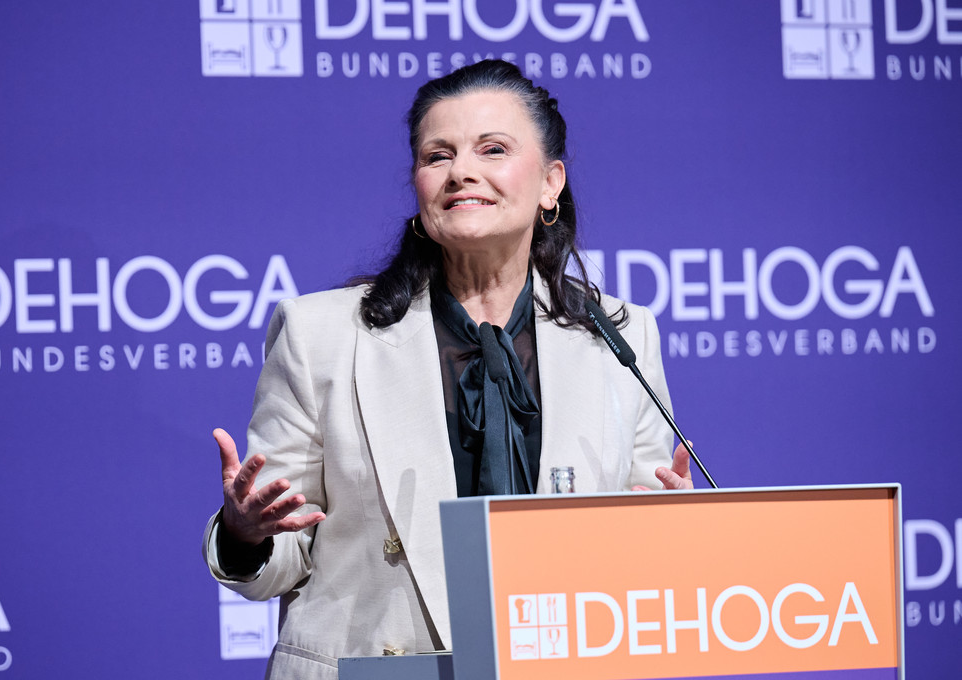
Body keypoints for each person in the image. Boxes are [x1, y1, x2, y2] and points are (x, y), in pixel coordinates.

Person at [202, 59, 692, 680]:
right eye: (438, 156)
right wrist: (246, 533)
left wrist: (668, 536)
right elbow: (280, 553)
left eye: (493, 149)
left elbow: (636, 557)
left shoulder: (619, 336)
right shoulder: (320, 335)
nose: (461, 171)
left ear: (550, 183)